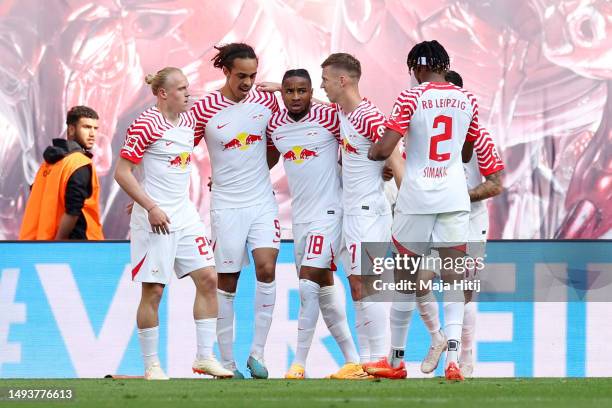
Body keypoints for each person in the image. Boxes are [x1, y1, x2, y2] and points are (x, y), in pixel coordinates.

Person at [365, 40, 480, 381]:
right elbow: (464, 153)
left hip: (417, 197)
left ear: (416, 68)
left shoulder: (411, 97)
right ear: (445, 64)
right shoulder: (467, 98)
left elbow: (385, 147)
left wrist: (373, 152)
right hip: (455, 197)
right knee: (453, 276)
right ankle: (454, 360)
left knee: (404, 273)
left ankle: (397, 360)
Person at [114, 67, 232, 380]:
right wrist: (148, 205)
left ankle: (204, 358)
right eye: (180, 89)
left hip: (184, 213)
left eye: (187, 87)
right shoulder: (146, 123)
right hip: (154, 220)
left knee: (208, 278)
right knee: (153, 291)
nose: (187, 93)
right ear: (163, 93)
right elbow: (122, 173)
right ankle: (152, 365)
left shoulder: (188, 122)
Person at [267, 69, 369, 379]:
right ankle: (354, 362)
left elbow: (359, 139)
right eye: (289, 91)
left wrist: (383, 169)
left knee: (307, 283)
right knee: (322, 288)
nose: (296, 97)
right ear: (282, 93)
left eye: (302, 91)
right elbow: (266, 160)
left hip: (330, 212)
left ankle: (298, 363)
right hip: (300, 219)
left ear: (312, 91)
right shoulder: (276, 125)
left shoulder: (329, 116)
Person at [190, 43, 280, 379]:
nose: (248, 82)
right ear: (225, 71)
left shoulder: (266, 101)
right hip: (226, 205)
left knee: (267, 268)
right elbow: (182, 149)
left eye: (253, 75)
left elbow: (276, 147)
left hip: (261, 201)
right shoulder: (205, 108)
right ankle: (227, 363)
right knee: (227, 281)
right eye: (241, 75)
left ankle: (257, 354)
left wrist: (254, 171)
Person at [415, 70, 505, 378]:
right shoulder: (422, 130)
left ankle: (462, 357)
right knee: (418, 281)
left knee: (464, 289)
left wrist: (458, 197)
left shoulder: (479, 135)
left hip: (469, 221)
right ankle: (437, 338)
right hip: (431, 218)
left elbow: (495, 184)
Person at [319, 53, 402, 365]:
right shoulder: (344, 112)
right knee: (357, 286)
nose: (323, 86)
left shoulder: (368, 116)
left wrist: (407, 205)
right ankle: (367, 361)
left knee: (366, 284)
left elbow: (396, 159)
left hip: (368, 210)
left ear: (343, 80)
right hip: (352, 212)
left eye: (326, 80)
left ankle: (381, 358)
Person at [19, 106, 104, 240]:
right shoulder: (79, 163)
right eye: (87, 127)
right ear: (71, 129)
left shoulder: (47, 165)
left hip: (38, 244)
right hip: (79, 247)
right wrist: (59, 246)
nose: (92, 133)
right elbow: (73, 211)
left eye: (95, 128)